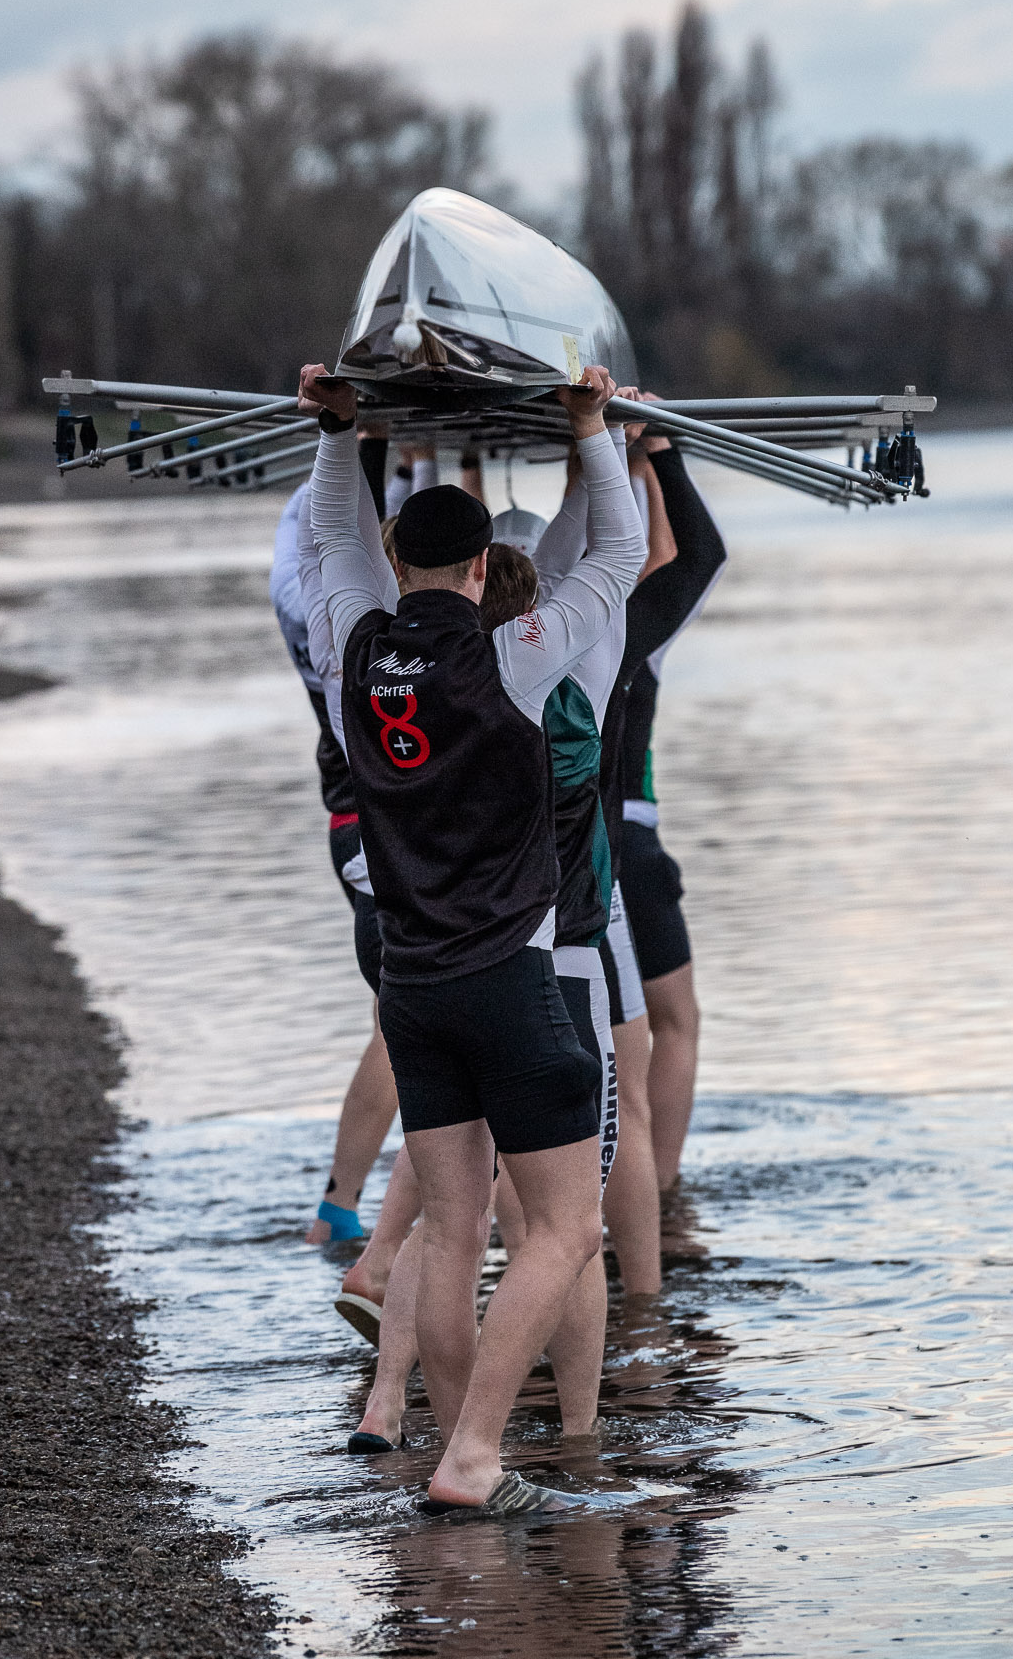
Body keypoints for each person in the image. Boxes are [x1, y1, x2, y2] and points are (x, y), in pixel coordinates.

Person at [304, 358, 646, 1513]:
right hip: (509, 979)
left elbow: (327, 555)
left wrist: (340, 435)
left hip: (409, 990)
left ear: (402, 564)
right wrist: (591, 430)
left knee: (448, 1231)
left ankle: (450, 1442)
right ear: (481, 569)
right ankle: (477, 1452)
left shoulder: (349, 649)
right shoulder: (513, 653)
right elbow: (613, 558)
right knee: (565, 1222)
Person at [270, 468, 397, 1243]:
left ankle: (340, 1210)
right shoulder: (330, 615)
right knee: (408, 1029)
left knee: (398, 1025)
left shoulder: (318, 597)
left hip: (356, 827)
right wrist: (366, 444)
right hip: (370, 830)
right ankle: (361, 1232)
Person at [613, 436, 727, 1191]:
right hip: (628, 848)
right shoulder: (615, 636)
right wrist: (656, 458)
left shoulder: (499, 648)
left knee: (596, 1056)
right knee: (674, 1023)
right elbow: (689, 557)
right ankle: (659, 1190)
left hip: (540, 865)